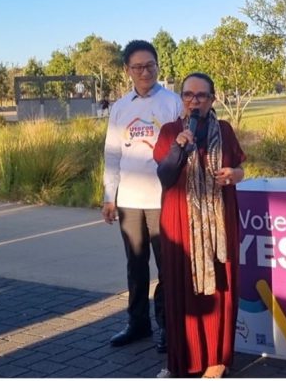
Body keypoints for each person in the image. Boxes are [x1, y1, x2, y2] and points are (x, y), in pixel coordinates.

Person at [153, 72, 246, 378]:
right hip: (180, 222)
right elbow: (165, 176)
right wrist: (179, 148)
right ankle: (183, 360)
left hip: (219, 222)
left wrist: (234, 174)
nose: (194, 102)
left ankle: (217, 360)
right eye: (188, 95)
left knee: (219, 287)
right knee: (180, 287)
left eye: (201, 96)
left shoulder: (225, 130)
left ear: (212, 99)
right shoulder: (170, 131)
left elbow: (240, 170)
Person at [102, 40, 182, 351]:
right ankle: (138, 324)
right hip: (129, 202)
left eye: (150, 65)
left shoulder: (173, 103)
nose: (145, 71)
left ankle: (168, 327)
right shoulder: (120, 108)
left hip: (164, 201)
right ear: (127, 71)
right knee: (135, 266)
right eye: (137, 67)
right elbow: (112, 155)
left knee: (167, 268)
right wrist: (110, 197)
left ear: (158, 66)